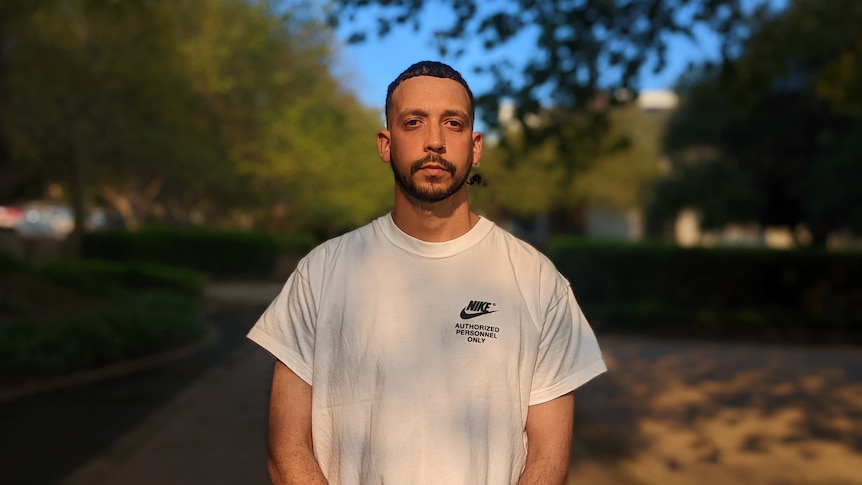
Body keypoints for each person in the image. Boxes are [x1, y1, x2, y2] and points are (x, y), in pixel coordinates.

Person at [247, 60, 607, 485]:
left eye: (452, 124)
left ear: (475, 147)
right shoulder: (320, 273)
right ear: (386, 143)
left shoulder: (538, 282)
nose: (434, 141)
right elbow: (287, 450)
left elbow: (548, 460)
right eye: (414, 122)